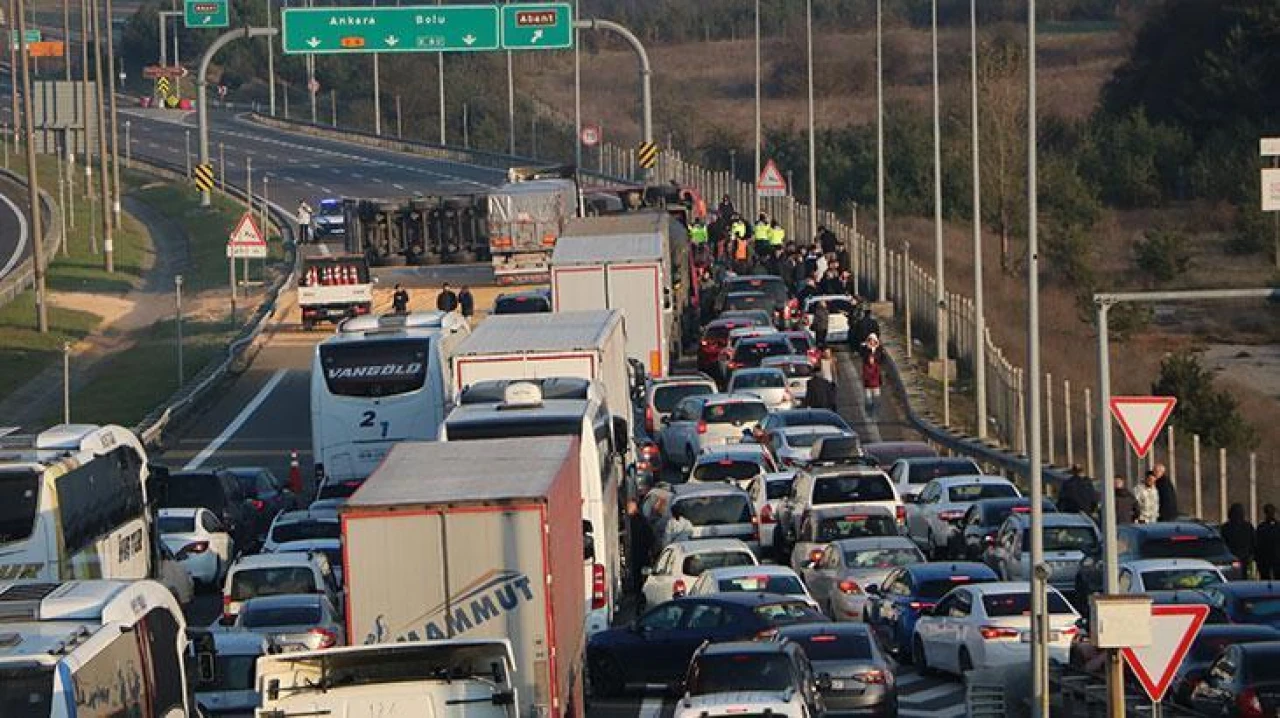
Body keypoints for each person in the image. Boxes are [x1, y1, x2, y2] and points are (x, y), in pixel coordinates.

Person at [625, 499, 655, 593]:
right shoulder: (635, 519)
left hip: (640, 552)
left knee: (639, 575)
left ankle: (640, 593)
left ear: (635, 507)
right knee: (638, 575)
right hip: (638, 552)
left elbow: (648, 536)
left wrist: (647, 549)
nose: (627, 509)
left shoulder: (638, 520)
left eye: (629, 507)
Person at [1222, 503, 1256, 578]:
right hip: (1234, 557)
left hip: (1242, 557)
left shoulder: (1247, 527)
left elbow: (1253, 542)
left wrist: (1251, 554)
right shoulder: (1226, 528)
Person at [860, 333, 884, 417]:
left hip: (876, 379)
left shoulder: (879, 350)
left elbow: (880, 357)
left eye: (873, 341)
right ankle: (869, 412)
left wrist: (874, 350)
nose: (872, 342)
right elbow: (863, 355)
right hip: (867, 380)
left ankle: (876, 412)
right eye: (870, 341)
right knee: (868, 398)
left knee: (876, 397)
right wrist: (869, 349)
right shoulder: (865, 350)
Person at [1257, 504, 1279, 579]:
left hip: (1276, 557)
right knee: (1265, 578)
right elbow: (1257, 543)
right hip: (1265, 558)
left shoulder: (1277, 526)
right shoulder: (1261, 527)